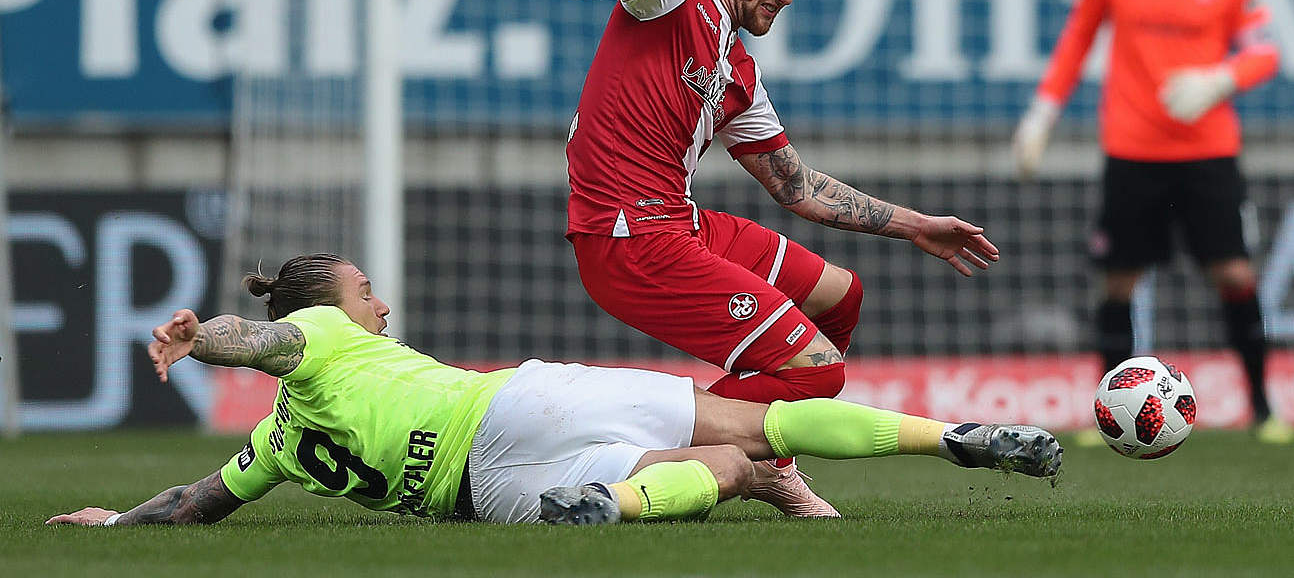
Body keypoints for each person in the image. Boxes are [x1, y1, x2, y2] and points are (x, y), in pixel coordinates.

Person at [557, 0, 1001, 515]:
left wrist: (916, 225)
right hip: (626, 237)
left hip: (678, 220)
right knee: (819, 371)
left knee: (840, 296)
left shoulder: (738, 69)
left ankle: (767, 461)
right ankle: (682, 453)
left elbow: (797, 188)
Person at [47, 254, 1060, 528]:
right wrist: (203, 335)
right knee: (757, 426)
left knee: (726, 475)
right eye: (367, 291)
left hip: (480, 499)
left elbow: (193, 504)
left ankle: (616, 504)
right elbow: (254, 332)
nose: (381, 302)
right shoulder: (311, 329)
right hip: (508, 405)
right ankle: (955, 438)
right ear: (331, 303)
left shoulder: (274, 447)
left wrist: (109, 527)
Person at [1011, 0, 1293, 444]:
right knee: (1118, 281)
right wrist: (1042, 114)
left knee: (1235, 273)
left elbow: (1265, 53)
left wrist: (1219, 80)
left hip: (1208, 150)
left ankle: (1263, 409)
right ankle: (1108, 409)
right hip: (1133, 149)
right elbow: (1078, 37)